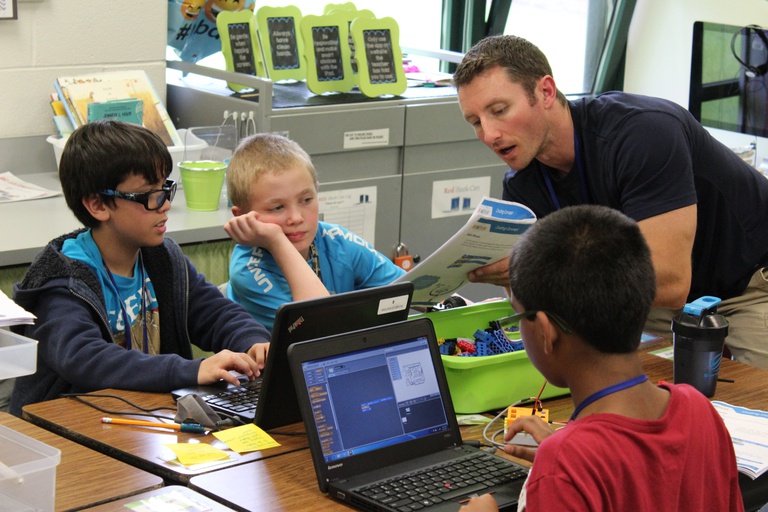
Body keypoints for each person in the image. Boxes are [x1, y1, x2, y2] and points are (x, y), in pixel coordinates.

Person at [453, 34, 768, 370]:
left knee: (756, 406)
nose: (489, 134)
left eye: (499, 111)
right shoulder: (523, 183)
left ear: (545, 92)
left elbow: (670, 280)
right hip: (647, 305)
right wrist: (517, 279)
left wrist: (540, 272)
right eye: (475, 123)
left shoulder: (643, 133)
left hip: (748, 288)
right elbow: (536, 309)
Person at [460, 204, 743, 512]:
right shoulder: (698, 409)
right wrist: (572, 446)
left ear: (544, 331)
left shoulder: (563, 468)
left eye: (517, 317)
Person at [9, 121, 271, 417]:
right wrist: (193, 370)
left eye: (165, 189)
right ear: (98, 205)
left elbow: (215, 313)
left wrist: (253, 342)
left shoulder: (162, 258)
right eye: (149, 195)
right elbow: (86, 360)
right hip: (69, 428)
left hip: (144, 417)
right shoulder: (62, 281)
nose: (165, 205)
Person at [223, 133, 406, 332]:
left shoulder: (336, 240)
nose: (296, 218)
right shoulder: (247, 269)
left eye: (306, 200)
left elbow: (411, 290)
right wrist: (276, 241)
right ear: (242, 216)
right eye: (277, 208)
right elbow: (318, 330)